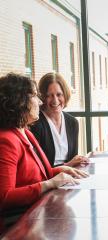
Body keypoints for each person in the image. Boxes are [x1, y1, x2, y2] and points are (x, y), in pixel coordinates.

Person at [0, 73, 88, 214]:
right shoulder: (7, 141)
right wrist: (49, 183)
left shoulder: (26, 132)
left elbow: (39, 176)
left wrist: (60, 170)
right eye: (34, 96)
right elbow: (4, 198)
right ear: (20, 102)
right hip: (21, 221)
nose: (40, 102)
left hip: (39, 211)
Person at [30, 72, 88, 167]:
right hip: (48, 180)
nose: (55, 100)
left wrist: (80, 161)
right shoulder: (35, 124)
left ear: (65, 94)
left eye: (59, 94)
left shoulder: (72, 122)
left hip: (69, 177)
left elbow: (74, 159)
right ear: (42, 97)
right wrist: (68, 165)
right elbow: (38, 169)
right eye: (49, 95)